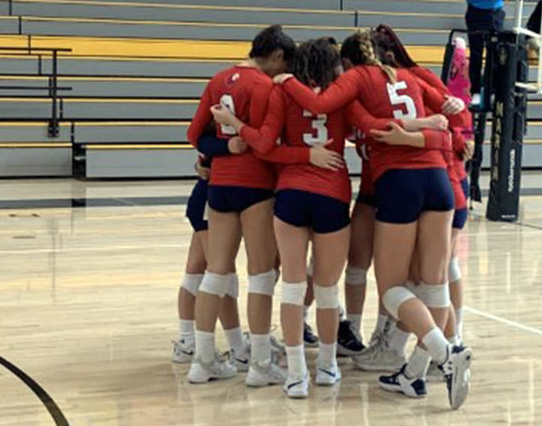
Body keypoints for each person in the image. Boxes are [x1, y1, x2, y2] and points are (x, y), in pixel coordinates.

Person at [274, 31, 475, 410]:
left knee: (393, 289)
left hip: (399, 183)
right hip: (440, 184)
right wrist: (428, 121)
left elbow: (354, 118)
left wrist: (286, 81)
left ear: (348, 64)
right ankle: (417, 370)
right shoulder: (411, 77)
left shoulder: (354, 84)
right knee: (434, 284)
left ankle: (444, 352)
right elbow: (451, 126)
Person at [211, 37, 404, 398]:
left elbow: (266, 147)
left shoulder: (282, 93)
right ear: (333, 67)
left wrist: (299, 155)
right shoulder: (343, 97)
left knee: (294, 288)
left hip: (290, 195)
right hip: (332, 195)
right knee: (328, 290)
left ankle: (297, 374)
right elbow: (372, 125)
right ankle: (328, 366)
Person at [185, 25, 295, 386]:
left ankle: (202, 362)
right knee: (262, 274)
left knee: (216, 272)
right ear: (277, 56)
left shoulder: (217, 79)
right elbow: (266, 143)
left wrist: (222, 148)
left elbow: (194, 135)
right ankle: (260, 365)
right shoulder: (266, 87)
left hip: (219, 186)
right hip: (255, 185)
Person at [172, 127, 249, 375]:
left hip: (205, 197)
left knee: (196, 270)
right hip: (209, 200)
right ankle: (238, 350)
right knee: (222, 273)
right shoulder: (224, 130)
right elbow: (201, 142)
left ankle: (187, 342)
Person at [464, 0, 508, 108]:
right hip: (475, 12)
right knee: (476, 54)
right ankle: (476, 91)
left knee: (495, 54)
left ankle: (491, 89)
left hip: (495, 13)